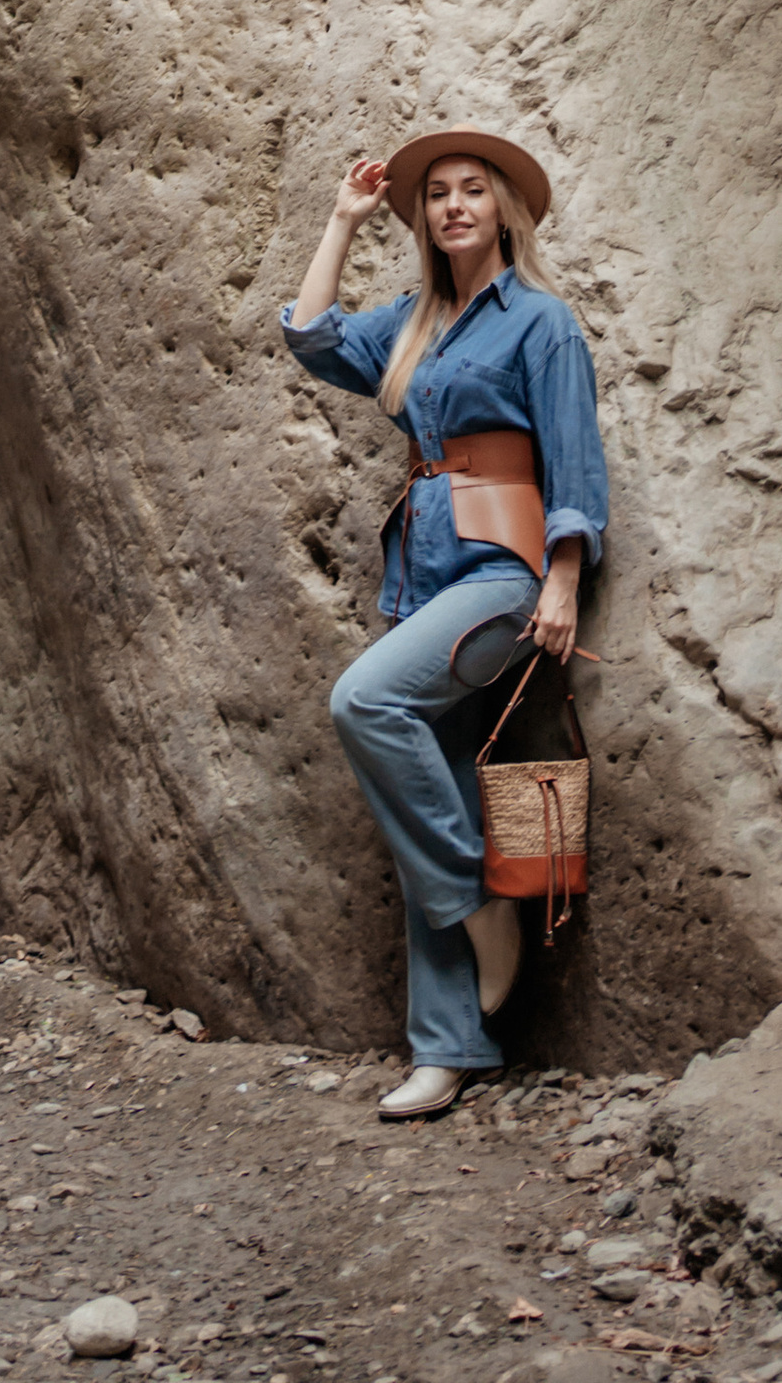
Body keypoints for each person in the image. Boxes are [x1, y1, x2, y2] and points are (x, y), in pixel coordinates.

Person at [283, 127, 606, 1119]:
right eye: (436, 195)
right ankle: (447, 1048)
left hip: (503, 582)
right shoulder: (415, 323)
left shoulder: (541, 323)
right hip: (422, 585)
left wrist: (560, 581)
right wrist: (342, 220)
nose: (453, 205)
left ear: (504, 209)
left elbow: (573, 460)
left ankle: (476, 907)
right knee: (427, 797)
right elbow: (309, 336)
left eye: (473, 190)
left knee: (365, 700)